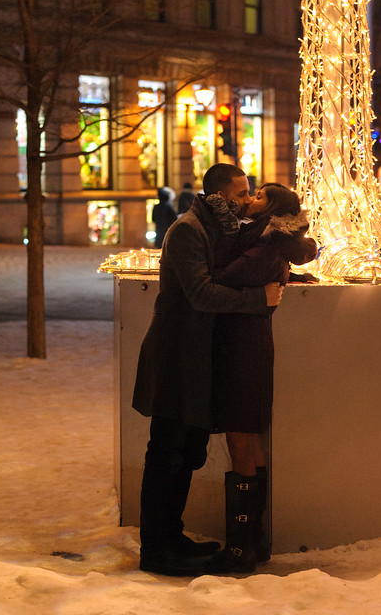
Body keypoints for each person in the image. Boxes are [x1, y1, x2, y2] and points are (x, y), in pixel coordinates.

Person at [132, 164, 284, 576]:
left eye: (248, 193)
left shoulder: (218, 229)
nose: (245, 201)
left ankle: (171, 537)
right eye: (240, 194)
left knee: (187, 453)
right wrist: (259, 298)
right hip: (176, 359)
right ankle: (157, 550)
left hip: (196, 361)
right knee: (168, 452)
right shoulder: (188, 230)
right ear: (218, 194)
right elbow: (200, 292)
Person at [204, 183, 317, 574]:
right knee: (247, 436)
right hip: (248, 342)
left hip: (242, 346)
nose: (249, 199)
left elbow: (219, 278)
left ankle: (240, 549)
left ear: (271, 210)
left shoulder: (262, 248)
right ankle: (252, 541)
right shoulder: (266, 244)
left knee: (240, 436)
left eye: (259, 196)